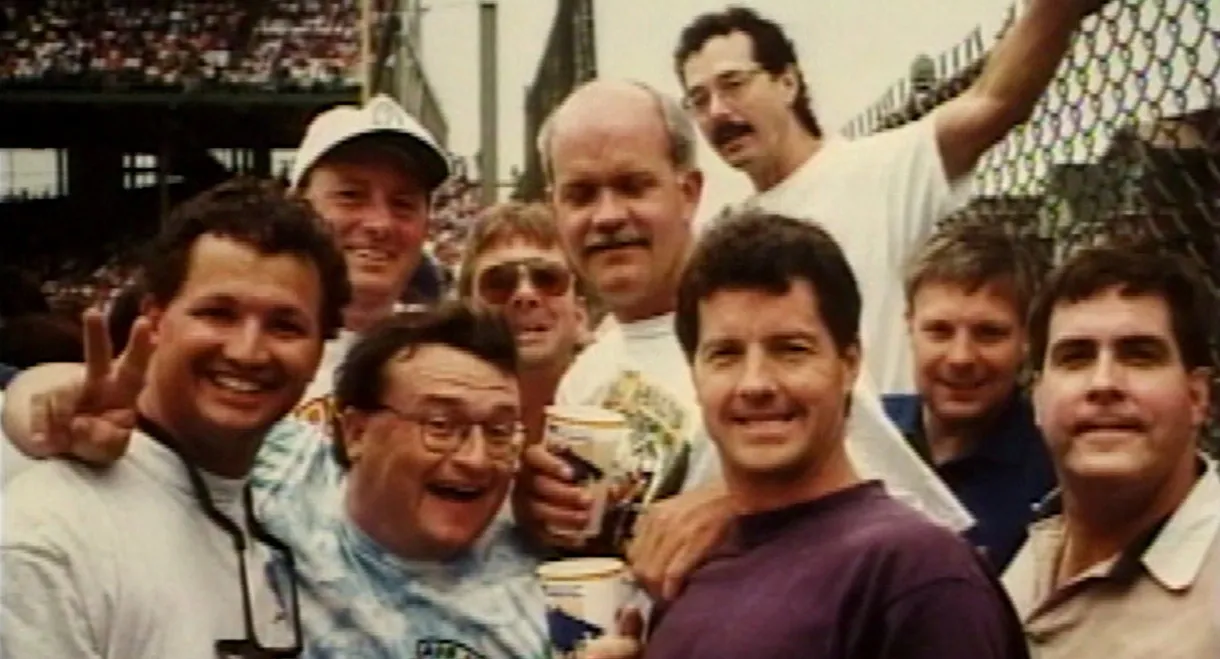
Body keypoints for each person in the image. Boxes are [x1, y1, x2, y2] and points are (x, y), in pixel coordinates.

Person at [519, 79, 967, 599]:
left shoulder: (773, 336)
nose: (609, 216)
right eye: (581, 195)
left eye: (634, 186)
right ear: (555, 209)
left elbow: (910, 520)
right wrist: (535, 511)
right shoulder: (585, 376)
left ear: (688, 192)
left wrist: (744, 498)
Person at [589, 209, 1028, 659]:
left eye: (790, 350)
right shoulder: (688, 568)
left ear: (849, 364)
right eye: (726, 355)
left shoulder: (917, 575)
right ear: (695, 376)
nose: (755, 384)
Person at [674, 1, 1111, 394]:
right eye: (699, 99)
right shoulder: (732, 236)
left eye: (733, 84)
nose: (717, 111)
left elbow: (994, 103)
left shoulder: (881, 166)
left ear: (787, 82)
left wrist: (1052, 10)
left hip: (892, 440)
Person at [2, 178, 351, 658]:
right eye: (218, 313)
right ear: (154, 319)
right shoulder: (50, 533)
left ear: (319, 352)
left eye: (285, 326)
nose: (248, 352)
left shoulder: (298, 522)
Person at [1002, 246, 1220, 658]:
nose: (1103, 383)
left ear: (1197, 397)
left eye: (1140, 356)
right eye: (1076, 358)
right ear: (1037, 399)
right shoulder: (1020, 565)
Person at [884, 224, 1055, 570]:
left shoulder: (1055, 471)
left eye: (989, 333)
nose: (961, 357)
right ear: (909, 326)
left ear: (1028, 339)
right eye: (939, 331)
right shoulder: (863, 437)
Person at [457, 201, 590, 444]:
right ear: (467, 310)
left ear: (580, 312)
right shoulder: (432, 420)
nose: (525, 294)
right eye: (499, 282)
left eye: (547, 278)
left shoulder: (626, 406)